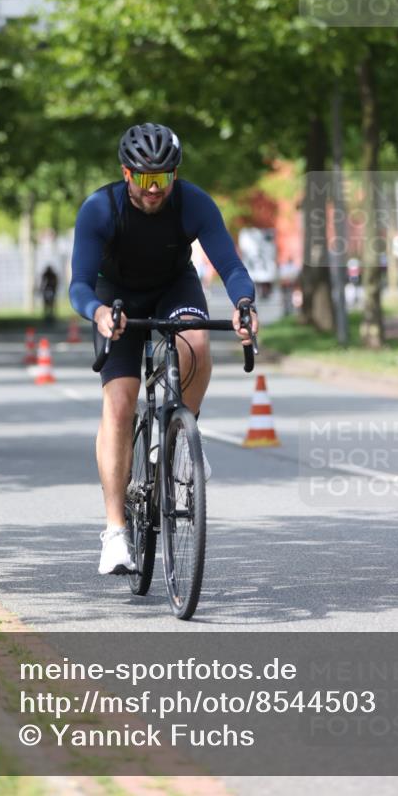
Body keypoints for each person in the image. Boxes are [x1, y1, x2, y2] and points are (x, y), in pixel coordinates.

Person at [70, 123, 258, 576]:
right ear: (125, 173)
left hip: (174, 287)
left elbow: (230, 265)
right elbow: (78, 284)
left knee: (197, 341)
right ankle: (115, 531)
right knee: (119, 403)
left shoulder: (193, 203)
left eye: (162, 180)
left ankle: (176, 442)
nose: (153, 191)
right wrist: (97, 312)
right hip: (116, 298)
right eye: (142, 179)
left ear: (175, 176)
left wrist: (244, 305)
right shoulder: (100, 207)